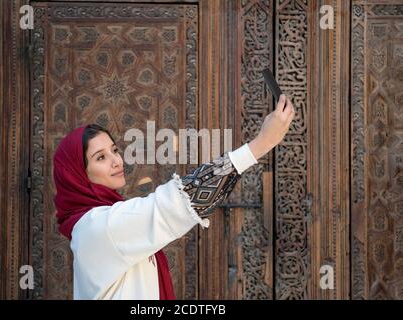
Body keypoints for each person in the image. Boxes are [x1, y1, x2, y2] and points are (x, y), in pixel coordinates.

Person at [53, 95, 295, 299]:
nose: (117, 161)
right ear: (77, 174)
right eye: (101, 157)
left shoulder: (104, 219)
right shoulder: (96, 227)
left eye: (114, 150)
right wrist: (260, 145)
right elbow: (172, 204)